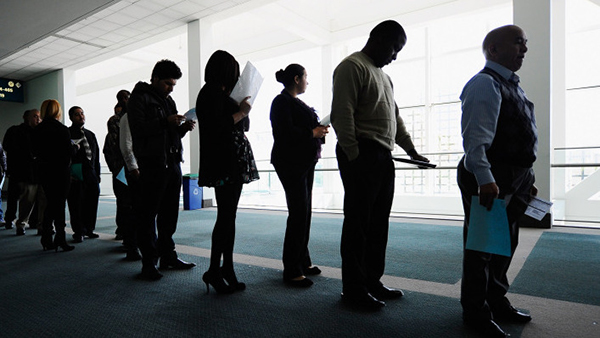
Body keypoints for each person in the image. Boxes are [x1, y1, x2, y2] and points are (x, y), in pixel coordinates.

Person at [330, 20, 429, 310]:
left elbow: (394, 119)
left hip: (383, 156)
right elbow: (342, 113)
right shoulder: (352, 66)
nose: (395, 56)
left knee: (378, 224)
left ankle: (372, 280)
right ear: (377, 38)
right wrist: (353, 153)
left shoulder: (384, 77)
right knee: (359, 224)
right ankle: (353, 289)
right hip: (362, 153)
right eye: (394, 48)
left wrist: (411, 150)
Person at [457, 25, 536, 338]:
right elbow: (475, 139)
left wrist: (527, 178)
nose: (525, 49)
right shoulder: (484, 84)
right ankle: (475, 312)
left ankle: (495, 299)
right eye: (518, 42)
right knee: (483, 249)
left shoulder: (513, 85)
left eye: (525, 43)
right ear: (493, 49)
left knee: (506, 243)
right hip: (491, 175)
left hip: (514, 177)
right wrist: (485, 179)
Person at [196, 50, 259, 294]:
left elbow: (245, 125)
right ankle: (215, 270)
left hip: (233, 161)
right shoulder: (209, 93)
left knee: (228, 217)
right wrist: (241, 111)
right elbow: (216, 127)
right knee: (225, 217)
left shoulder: (225, 94)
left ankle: (226, 269)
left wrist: (242, 108)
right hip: (224, 162)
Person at [127, 59, 196, 281]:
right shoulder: (139, 98)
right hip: (153, 166)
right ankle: (149, 263)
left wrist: (183, 128)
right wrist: (165, 122)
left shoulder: (169, 100)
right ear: (155, 78)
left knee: (169, 215)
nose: (171, 88)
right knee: (148, 216)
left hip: (172, 163)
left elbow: (170, 133)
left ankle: (168, 256)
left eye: (173, 84)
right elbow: (139, 130)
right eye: (167, 83)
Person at [270, 64, 328, 287]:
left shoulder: (296, 102)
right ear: (296, 78)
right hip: (290, 163)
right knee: (298, 213)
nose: (307, 81)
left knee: (304, 213)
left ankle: (302, 261)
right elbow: (283, 133)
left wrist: (318, 131)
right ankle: (291, 269)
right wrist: (311, 132)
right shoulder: (281, 101)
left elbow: (303, 131)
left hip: (304, 162)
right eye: (306, 77)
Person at [32, 99, 75, 252]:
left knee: (51, 203)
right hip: (60, 172)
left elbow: (34, 151)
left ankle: (47, 237)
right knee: (59, 204)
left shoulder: (37, 130)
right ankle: (60, 238)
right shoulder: (62, 129)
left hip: (44, 172)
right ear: (57, 111)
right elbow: (68, 153)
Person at [2, 109, 44, 235]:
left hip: (34, 172)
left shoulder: (39, 132)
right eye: (35, 116)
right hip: (18, 170)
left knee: (33, 199)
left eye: (39, 117)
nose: (38, 119)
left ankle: (31, 221)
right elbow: (6, 146)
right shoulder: (14, 131)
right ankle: (10, 220)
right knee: (15, 197)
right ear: (26, 117)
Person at [67, 106, 101, 243]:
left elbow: (96, 155)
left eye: (82, 113)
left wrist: (97, 174)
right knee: (76, 202)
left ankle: (89, 229)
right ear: (71, 118)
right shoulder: (68, 133)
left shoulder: (90, 134)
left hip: (91, 172)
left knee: (92, 201)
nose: (81, 116)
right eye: (77, 114)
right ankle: (79, 231)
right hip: (76, 171)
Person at [103, 90, 132, 242]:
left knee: (130, 203)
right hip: (121, 168)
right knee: (123, 202)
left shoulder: (136, 116)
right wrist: (115, 168)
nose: (125, 100)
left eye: (127, 97)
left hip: (130, 166)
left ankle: (128, 233)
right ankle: (123, 232)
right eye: (122, 99)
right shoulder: (115, 121)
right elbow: (115, 148)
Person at [118, 107, 141, 261]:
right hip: (135, 170)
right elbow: (126, 145)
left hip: (148, 168)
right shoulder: (128, 117)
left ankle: (139, 244)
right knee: (133, 209)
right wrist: (133, 168)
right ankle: (132, 246)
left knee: (144, 211)